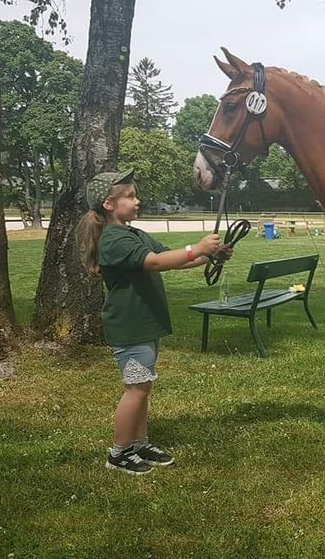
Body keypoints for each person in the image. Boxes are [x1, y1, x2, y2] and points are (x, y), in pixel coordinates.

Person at [77, 168, 232, 475]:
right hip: (130, 326)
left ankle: (139, 442)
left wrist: (210, 256)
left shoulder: (134, 234)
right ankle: (118, 453)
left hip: (145, 324)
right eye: (130, 196)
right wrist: (197, 249)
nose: (138, 201)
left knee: (142, 388)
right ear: (109, 204)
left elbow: (171, 258)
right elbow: (156, 263)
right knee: (135, 390)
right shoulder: (113, 240)